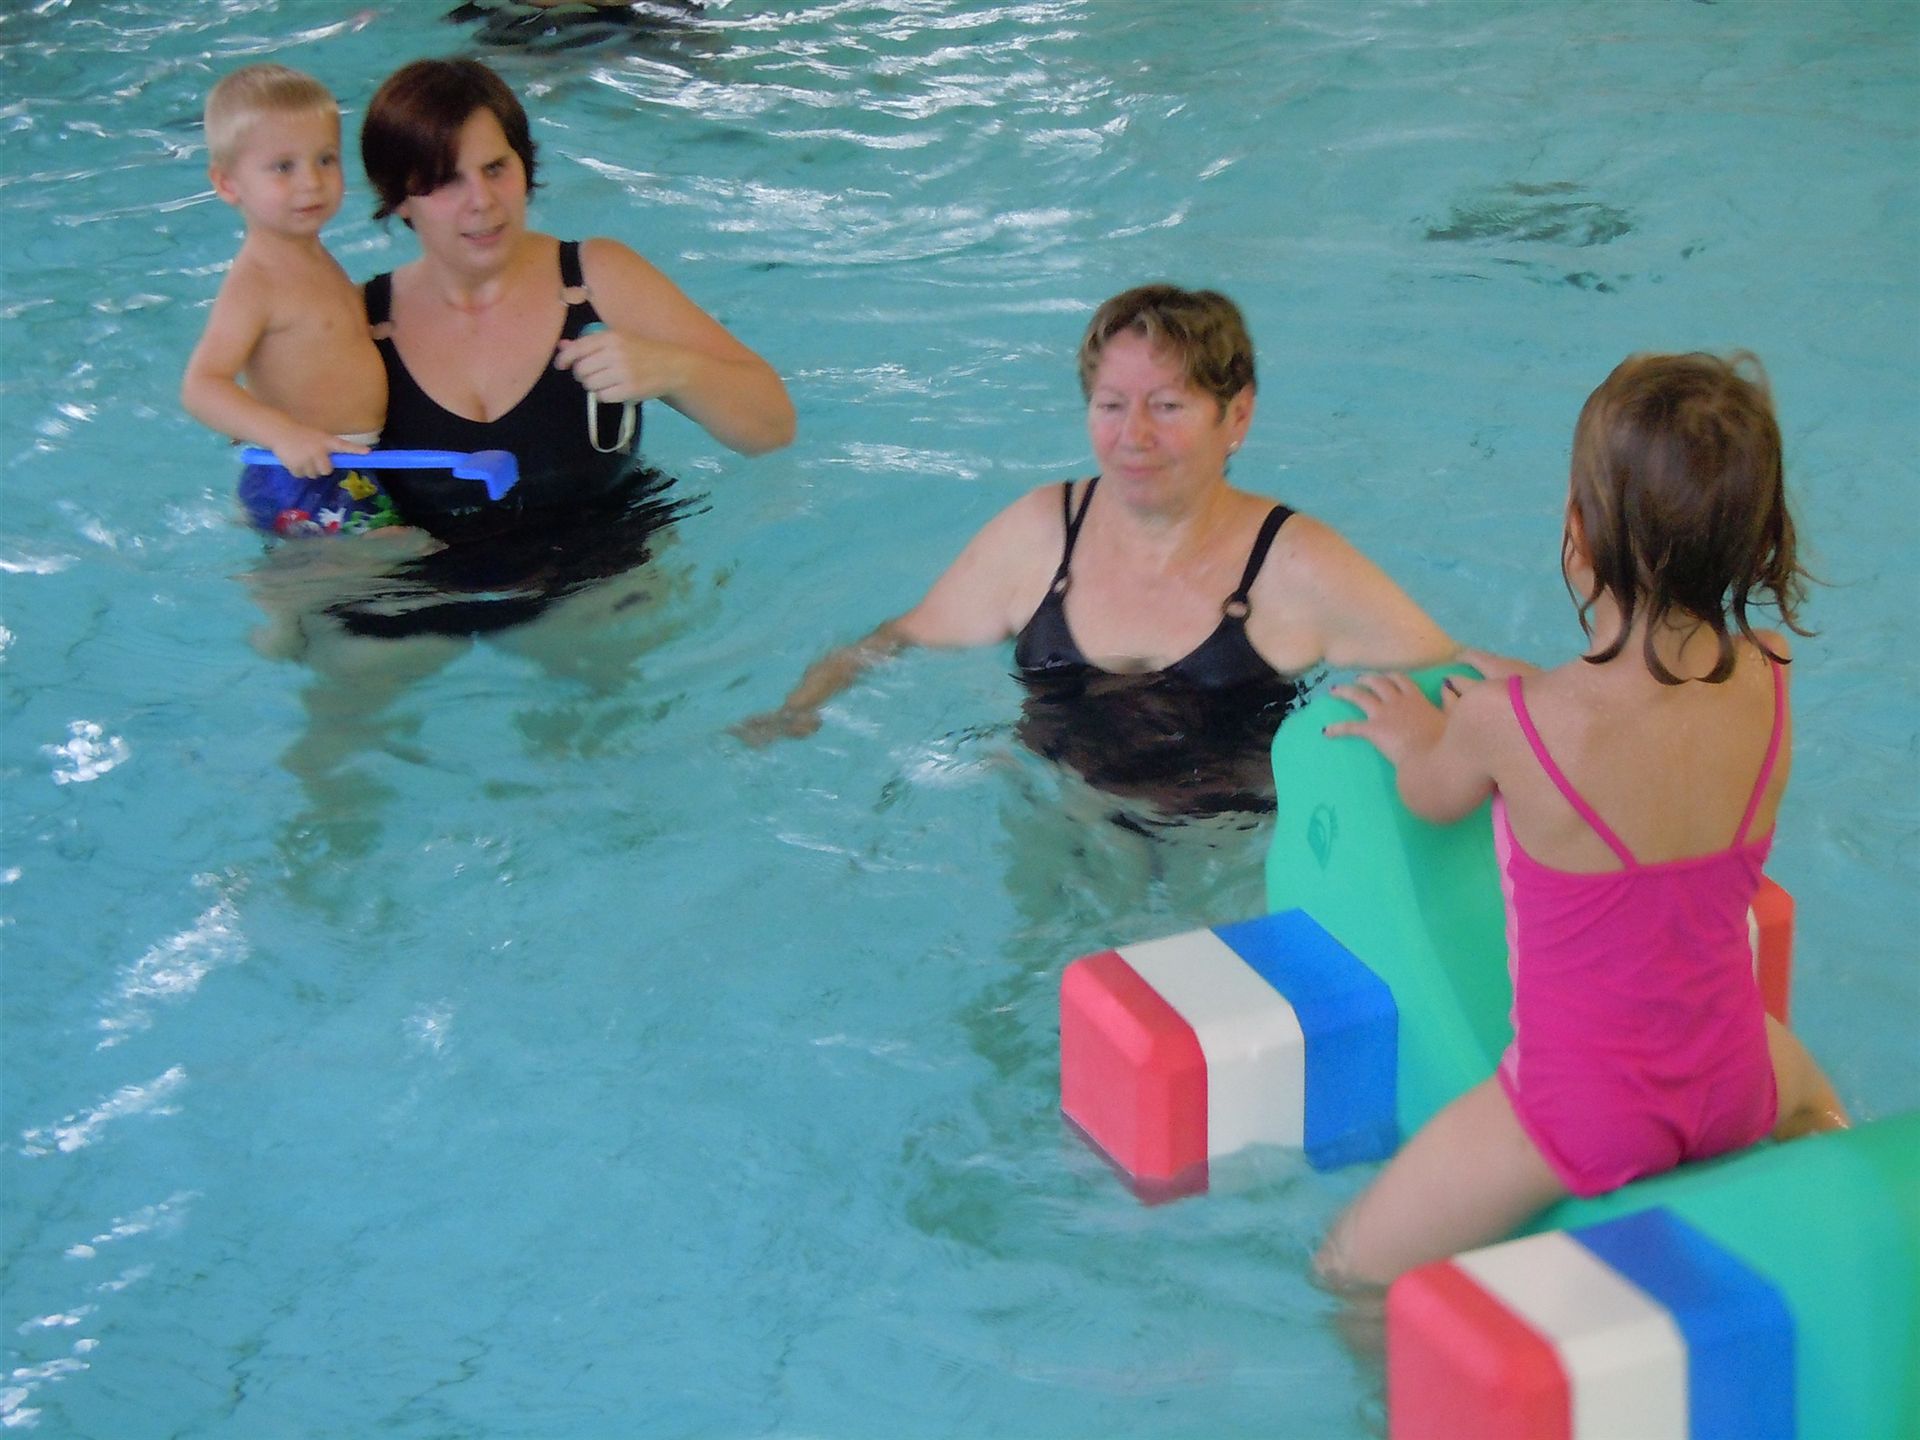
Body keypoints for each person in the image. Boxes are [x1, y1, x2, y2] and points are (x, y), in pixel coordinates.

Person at [1315, 351, 1848, 1289]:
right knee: (1818, 1111)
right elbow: (1650, 727)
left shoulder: (1508, 726)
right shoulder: (1771, 673)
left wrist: (1418, 733)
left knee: (1352, 1264)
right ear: (1761, 539)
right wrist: (1530, 688)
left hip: (1583, 1113)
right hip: (1738, 1075)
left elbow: (1431, 794)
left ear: (1578, 531)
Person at [740, 284, 1454, 815]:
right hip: (1055, 816)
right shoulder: (1042, 533)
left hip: (1218, 847)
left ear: (1236, 416)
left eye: (1166, 406)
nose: (1133, 436)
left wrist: (1428, 742)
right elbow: (900, 638)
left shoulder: (1295, 564)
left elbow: (1460, 674)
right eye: (1111, 405)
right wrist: (800, 708)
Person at [355, 56, 792, 543]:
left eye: (496, 168)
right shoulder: (358, 324)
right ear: (398, 197)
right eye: (447, 180)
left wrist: (675, 370)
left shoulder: (597, 279)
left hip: (614, 575)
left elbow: (774, 429)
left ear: (525, 165)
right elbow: (302, 502)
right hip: (420, 582)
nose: (483, 200)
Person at [180, 64, 397, 537]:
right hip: (301, 476)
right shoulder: (256, 281)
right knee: (407, 557)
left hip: (344, 466)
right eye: (284, 167)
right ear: (228, 184)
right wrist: (283, 434)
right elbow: (201, 385)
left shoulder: (310, 254)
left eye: (325, 159)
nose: (311, 181)